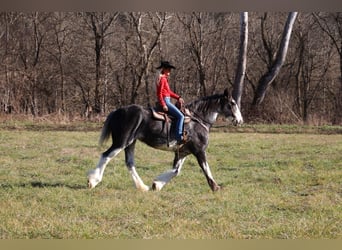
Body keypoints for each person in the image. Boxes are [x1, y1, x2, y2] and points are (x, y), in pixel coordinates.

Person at [155, 60, 186, 144]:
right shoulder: (162, 79)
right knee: (181, 116)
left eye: (170, 69)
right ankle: (178, 136)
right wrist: (164, 104)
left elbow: (168, 92)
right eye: (168, 69)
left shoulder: (164, 78)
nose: (170, 71)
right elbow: (159, 93)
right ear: (164, 69)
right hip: (166, 101)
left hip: (167, 99)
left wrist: (178, 97)